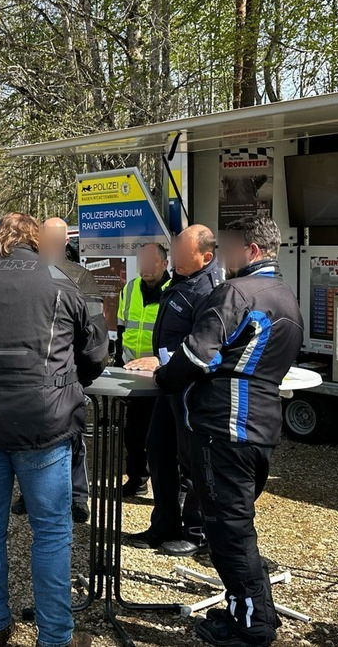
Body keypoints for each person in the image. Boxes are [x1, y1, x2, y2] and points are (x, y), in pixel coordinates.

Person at [0, 213, 108, 647]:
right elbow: (95, 350)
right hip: (44, 419)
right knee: (52, 530)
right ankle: (55, 636)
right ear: (35, 239)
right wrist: (73, 381)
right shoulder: (57, 278)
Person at [155, 216, 303, 647]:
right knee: (235, 528)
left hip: (224, 428)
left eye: (230, 250)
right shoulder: (285, 297)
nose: (224, 258)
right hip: (260, 427)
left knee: (228, 532)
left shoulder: (236, 292)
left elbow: (198, 356)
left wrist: (164, 378)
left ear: (252, 251)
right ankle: (254, 613)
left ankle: (252, 627)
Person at [125, 226, 221, 557]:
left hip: (192, 388)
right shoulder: (179, 282)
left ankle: (196, 531)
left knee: (192, 461)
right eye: (176, 249)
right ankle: (163, 525)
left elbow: (206, 343)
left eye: (184, 252)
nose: (177, 257)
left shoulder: (209, 291)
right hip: (168, 385)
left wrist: (162, 358)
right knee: (158, 449)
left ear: (206, 257)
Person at [11, 217, 98, 523]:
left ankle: (77, 497)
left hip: (69, 372)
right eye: (43, 240)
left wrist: (81, 375)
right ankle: (28, 494)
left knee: (73, 437)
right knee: (28, 440)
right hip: (32, 376)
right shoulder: (23, 276)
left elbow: (93, 336)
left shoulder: (81, 277)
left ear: (64, 243)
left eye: (53, 241)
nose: (47, 246)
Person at [114, 242, 171, 497]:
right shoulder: (129, 289)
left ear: (164, 264)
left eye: (152, 262)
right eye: (143, 262)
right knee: (134, 433)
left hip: (163, 374)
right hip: (132, 373)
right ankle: (137, 479)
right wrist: (119, 362)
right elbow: (122, 328)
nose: (146, 268)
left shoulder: (175, 291)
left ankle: (170, 489)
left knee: (163, 437)